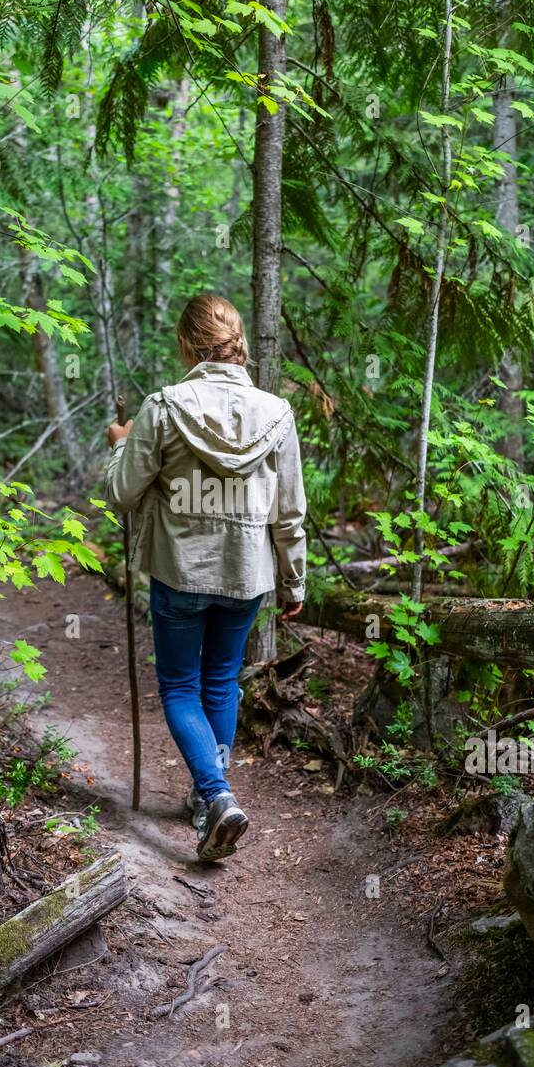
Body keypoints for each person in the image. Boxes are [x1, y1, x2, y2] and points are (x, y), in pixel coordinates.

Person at [105, 293, 307, 861]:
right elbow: (288, 510)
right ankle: (207, 798)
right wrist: (294, 582)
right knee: (220, 683)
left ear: (188, 343)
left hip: (181, 571)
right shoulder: (277, 414)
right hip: (247, 575)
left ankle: (215, 795)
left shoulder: (165, 407)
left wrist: (120, 449)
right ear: (237, 340)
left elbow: (123, 493)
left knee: (178, 686)